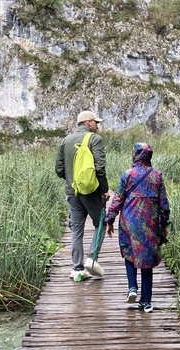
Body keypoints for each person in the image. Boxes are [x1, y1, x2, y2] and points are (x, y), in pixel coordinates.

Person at [105, 142, 170, 312]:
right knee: (147, 261)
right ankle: (146, 302)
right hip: (150, 224)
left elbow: (117, 199)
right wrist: (164, 223)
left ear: (135, 155)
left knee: (129, 253)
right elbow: (164, 204)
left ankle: (132, 288)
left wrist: (110, 220)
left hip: (129, 221)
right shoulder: (157, 176)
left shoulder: (127, 174)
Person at [55, 110, 109, 281]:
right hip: (91, 192)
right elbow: (100, 169)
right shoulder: (95, 139)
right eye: (96, 122)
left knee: (76, 230)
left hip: (72, 193)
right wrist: (104, 189)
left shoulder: (65, 141)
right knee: (101, 222)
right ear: (88, 123)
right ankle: (92, 259)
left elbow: (59, 170)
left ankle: (77, 269)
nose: (97, 126)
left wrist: (72, 179)